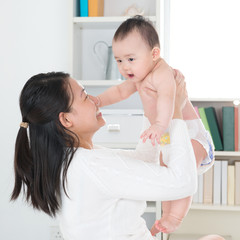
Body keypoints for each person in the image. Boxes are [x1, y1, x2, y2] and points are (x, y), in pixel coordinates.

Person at [11, 71, 214, 240]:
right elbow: (183, 183)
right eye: (85, 96)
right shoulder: (91, 164)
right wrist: (174, 110)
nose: (94, 101)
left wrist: (155, 111)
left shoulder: (74, 160)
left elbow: (143, 161)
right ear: (66, 120)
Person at [90, 15, 214, 234]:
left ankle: (176, 216)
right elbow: (119, 92)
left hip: (192, 137)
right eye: (119, 60)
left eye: (130, 59)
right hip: (168, 137)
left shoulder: (163, 73)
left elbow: (167, 99)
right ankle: (167, 215)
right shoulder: (138, 76)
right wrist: (99, 100)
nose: (124, 66)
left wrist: (158, 125)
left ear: (154, 54)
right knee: (167, 172)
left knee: (186, 168)